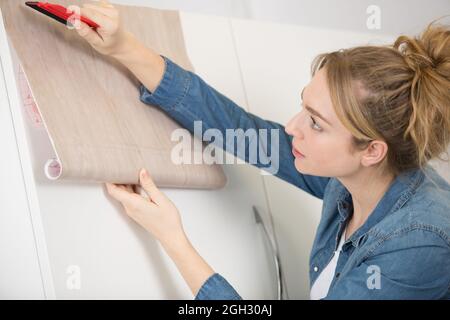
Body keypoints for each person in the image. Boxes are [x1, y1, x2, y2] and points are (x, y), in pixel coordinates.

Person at [74, 0, 450, 299]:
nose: (292, 127)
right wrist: (125, 48)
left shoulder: (418, 242)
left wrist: (173, 239)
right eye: (304, 106)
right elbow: (240, 131)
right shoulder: (354, 177)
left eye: (316, 123)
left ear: (372, 151)